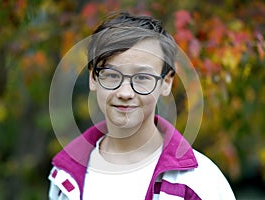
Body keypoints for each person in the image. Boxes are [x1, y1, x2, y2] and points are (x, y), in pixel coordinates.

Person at [48, 12, 236, 200]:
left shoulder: (201, 181)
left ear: (166, 83)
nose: (125, 93)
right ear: (93, 78)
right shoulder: (64, 176)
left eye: (142, 78)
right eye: (112, 75)